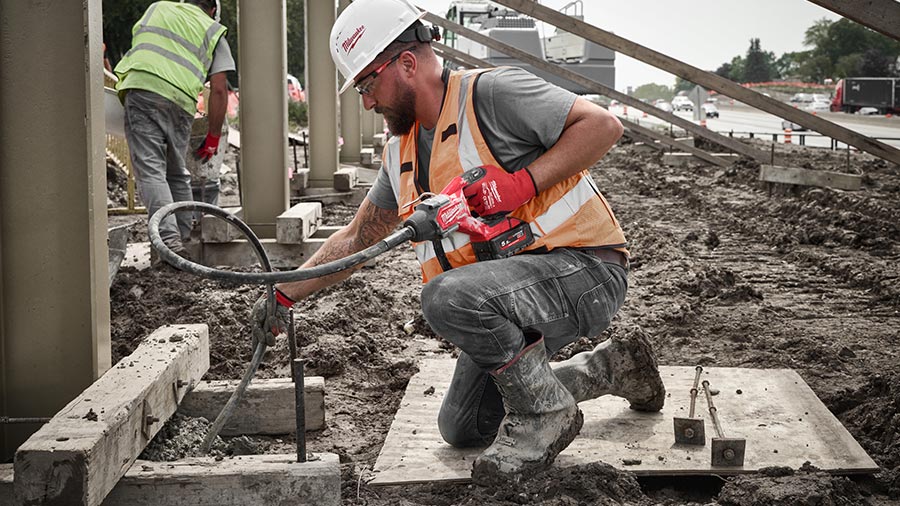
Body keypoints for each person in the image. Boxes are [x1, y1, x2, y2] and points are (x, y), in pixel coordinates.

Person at [251, 0, 665, 485]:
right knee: (463, 425)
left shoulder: (493, 95)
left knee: (446, 296)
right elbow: (359, 237)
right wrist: (284, 292)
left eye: (367, 84)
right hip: (508, 300)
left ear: (406, 64)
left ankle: (546, 413)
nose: (366, 101)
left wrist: (521, 184)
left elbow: (602, 126)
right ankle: (613, 367)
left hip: (584, 273)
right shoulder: (399, 152)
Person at [114, 0, 234, 260]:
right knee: (177, 172)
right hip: (180, 101)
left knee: (151, 171)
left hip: (142, 89)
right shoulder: (213, 30)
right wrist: (212, 136)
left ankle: (169, 247)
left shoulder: (158, 7)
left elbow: (140, 45)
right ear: (213, 9)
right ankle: (183, 244)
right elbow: (219, 89)